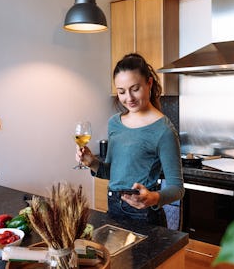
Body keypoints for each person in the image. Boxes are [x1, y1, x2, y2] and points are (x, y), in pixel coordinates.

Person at [76, 53, 184, 227]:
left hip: (144, 215)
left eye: (135, 89)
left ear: (149, 83)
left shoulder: (164, 130)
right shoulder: (114, 123)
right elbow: (112, 173)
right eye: (121, 92)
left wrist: (153, 198)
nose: (129, 98)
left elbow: (177, 188)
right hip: (114, 208)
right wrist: (92, 163)